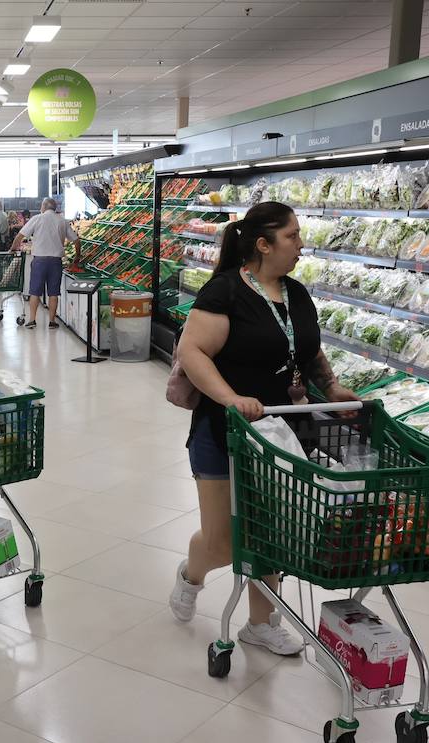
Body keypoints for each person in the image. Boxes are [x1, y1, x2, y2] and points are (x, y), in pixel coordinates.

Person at [168, 201, 358, 655]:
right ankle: (191, 574)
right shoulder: (225, 293)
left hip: (284, 433)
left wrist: (331, 387)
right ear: (262, 243)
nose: (300, 244)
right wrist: (231, 398)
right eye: (292, 236)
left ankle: (260, 621)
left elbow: (308, 351)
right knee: (222, 542)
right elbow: (193, 353)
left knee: (270, 532)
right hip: (225, 431)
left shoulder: (296, 293)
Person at [11, 197, 78, 330]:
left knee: (35, 292)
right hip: (55, 261)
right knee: (54, 293)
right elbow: (76, 240)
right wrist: (78, 257)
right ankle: (52, 321)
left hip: (39, 261)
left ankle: (32, 320)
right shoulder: (63, 221)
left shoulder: (37, 218)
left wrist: (12, 248)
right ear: (55, 208)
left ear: (43, 206)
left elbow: (20, 236)